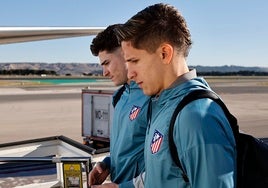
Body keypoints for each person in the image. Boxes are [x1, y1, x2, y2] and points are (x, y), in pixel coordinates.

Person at [115, 3, 236, 188]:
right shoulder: (162, 104)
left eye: (134, 61)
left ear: (164, 53)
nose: (130, 74)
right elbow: (165, 173)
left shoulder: (196, 118)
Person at [89, 24, 150, 188]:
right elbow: (128, 146)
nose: (104, 72)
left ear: (125, 53)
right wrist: (107, 163)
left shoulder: (151, 96)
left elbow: (165, 166)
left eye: (107, 63)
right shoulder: (120, 96)